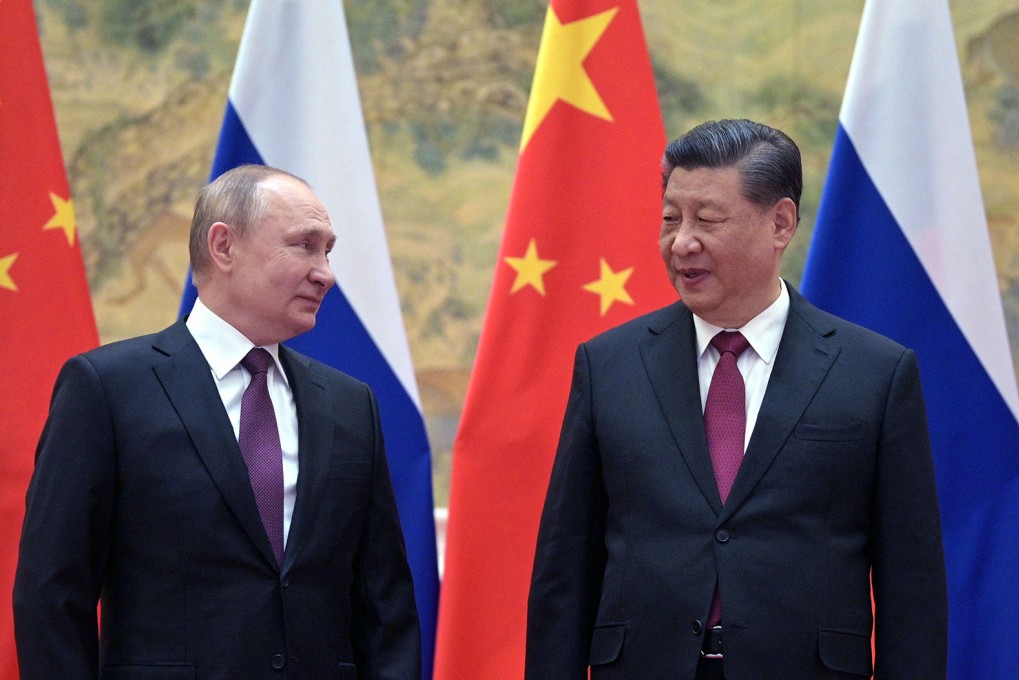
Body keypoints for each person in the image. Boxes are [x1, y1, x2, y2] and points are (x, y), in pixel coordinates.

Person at [525, 119, 947, 680]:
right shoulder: (610, 366)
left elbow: (912, 587)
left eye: (707, 220)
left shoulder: (874, 373)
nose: (682, 242)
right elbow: (565, 568)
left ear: (780, 223)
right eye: (671, 219)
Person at [13, 164, 421, 679]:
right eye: (304, 246)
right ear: (224, 246)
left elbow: (386, 605)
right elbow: (52, 594)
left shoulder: (350, 404)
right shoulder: (107, 390)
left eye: (328, 252)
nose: (325, 273)